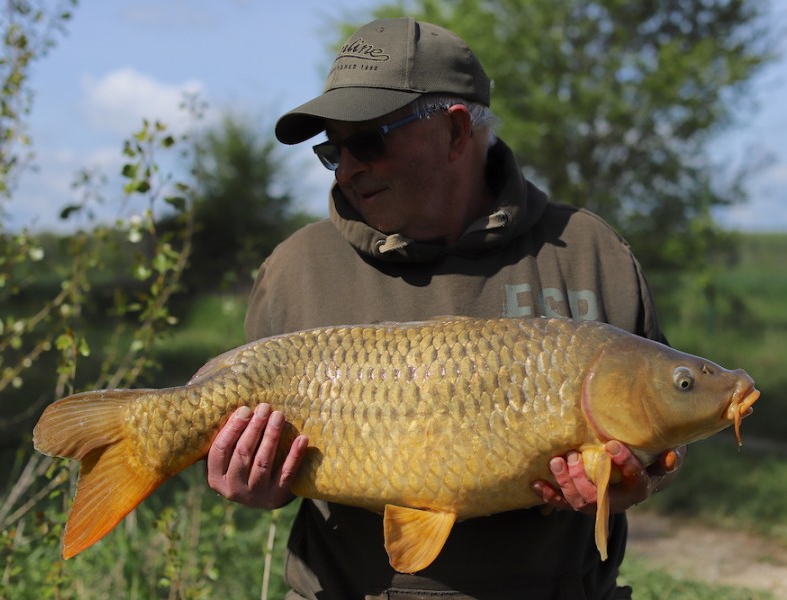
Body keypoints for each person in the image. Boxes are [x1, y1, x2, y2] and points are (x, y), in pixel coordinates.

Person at [206, 16, 684, 599]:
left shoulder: (590, 251)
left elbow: (659, 434)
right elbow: (270, 464)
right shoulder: (296, 269)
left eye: (368, 141)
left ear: (457, 133)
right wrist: (256, 481)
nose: (349, 166)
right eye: (333, 149)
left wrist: (635, 482)